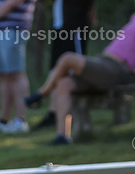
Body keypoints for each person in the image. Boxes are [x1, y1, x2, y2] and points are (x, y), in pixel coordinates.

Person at [24, 0, 135, 144]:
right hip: (104, 64)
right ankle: (62, 136)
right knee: (64, 83)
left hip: (119, 70)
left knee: (68, 58)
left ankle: (40, 94)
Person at [35, 0, 96, 128]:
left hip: (74, 27)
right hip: (60, 26)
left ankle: (73, 113)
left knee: (73, 72)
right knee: (56, 69)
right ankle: (53, 113)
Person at [0, 0, 35, 134]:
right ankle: (4, 121)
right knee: (4, 76)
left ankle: (21, 120)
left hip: (13, 30)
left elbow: (11, 3)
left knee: (16, 73)